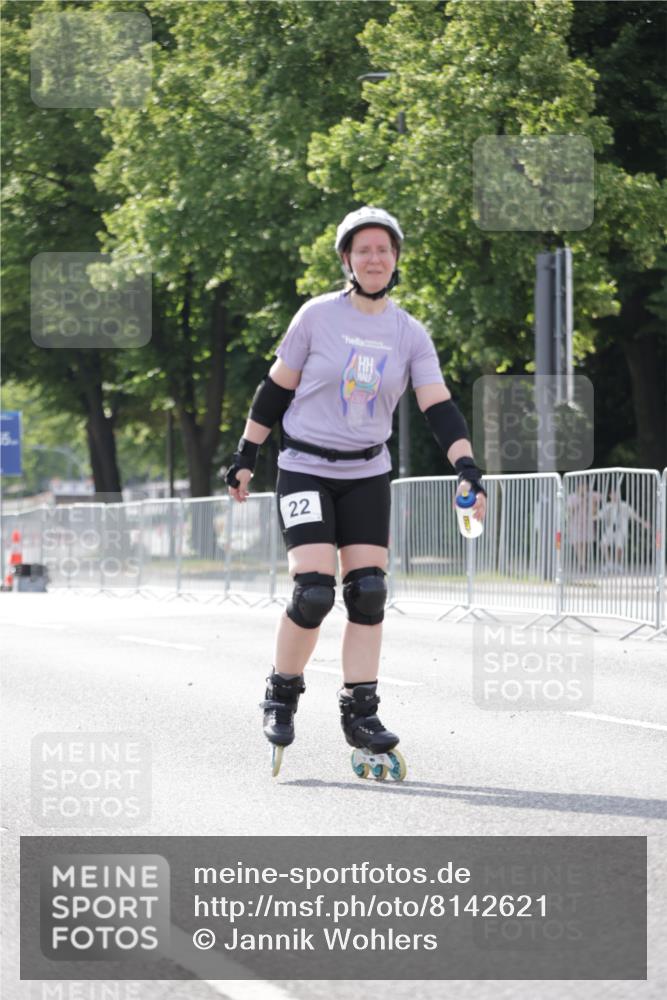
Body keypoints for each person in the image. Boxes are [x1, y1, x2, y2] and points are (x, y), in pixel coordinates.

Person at [226, 206, 486, 778]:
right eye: (363, 249)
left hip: (367, 472)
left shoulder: (408, 332)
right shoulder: (316, 317)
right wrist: (247, 456)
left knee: (367, 593)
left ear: (395, 260)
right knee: (314, 592)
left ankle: (360, 713)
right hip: (304, 468)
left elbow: (437, 406)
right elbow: (274, 390)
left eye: (384, 250)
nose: (375, 258)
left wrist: (467, 468)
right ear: (347, 258)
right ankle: (282, 691)